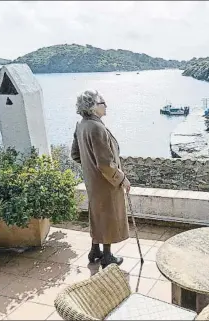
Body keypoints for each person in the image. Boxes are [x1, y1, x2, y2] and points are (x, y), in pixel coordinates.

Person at [71, 89, 131, 268]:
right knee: (108, 216)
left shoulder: (81, 125)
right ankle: (107, 256)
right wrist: (122, 179)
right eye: (102, 102)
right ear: (92, 106)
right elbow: (105, 164)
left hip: (93, 181)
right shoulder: (96, 127)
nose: (106, 105)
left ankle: (94, 250)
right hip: (106, 182)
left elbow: (75, 154)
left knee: (97, 215)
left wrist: (90, 169)